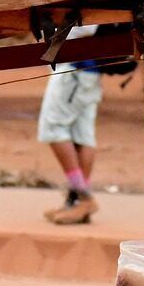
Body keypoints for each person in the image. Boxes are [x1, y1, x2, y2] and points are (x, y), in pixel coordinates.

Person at [38, 54, 104, 225]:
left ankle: (84, 197)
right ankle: (74, 202)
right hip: (88, 71)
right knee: (82, 134)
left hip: (73, 69)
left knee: (53, 129)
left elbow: (81, 30)